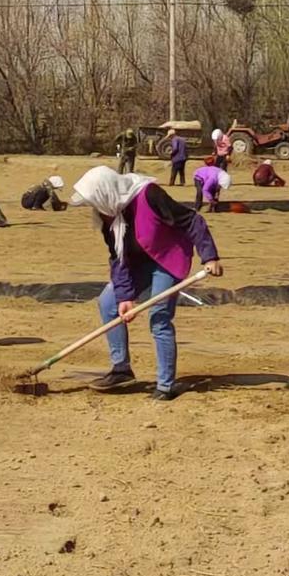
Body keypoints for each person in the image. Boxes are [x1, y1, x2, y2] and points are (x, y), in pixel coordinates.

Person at [70, 165, 223, 401]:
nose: (96, 209)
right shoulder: (109, 216)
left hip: (168, 260)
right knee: (108, 303)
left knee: (159, 316)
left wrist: (210, 256)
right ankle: (121, 369)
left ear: (107, 193)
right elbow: (118, 259)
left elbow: (191, 220)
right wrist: (125, 297)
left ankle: (165, 385)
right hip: (139, 264)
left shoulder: (149, 195)